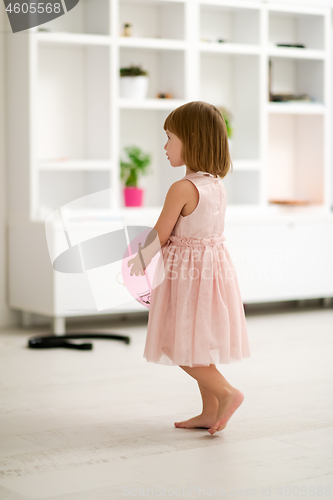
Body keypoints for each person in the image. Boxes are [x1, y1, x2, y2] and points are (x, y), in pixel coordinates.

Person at [127, 101, 250, 435]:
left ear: (191, 140)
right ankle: (210, 410)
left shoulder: (182, 188)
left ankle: (226, 393)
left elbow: (160, 234)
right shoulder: (217, 186)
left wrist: (139, 260)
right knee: (196, 341)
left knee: (175, 341)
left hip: (186, 276)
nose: (164, 146)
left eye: (169, 137)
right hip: (213, 273)